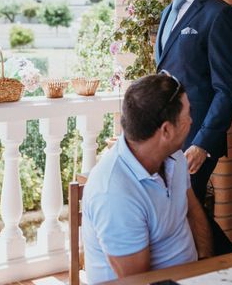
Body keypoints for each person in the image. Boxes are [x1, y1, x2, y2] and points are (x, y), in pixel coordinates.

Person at [82, 73, 213, 284]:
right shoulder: (114, 193)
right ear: (166, 130)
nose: (191, 121)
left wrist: (206, 266)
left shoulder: (176, 157)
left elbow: (192, 210)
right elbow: (139, 281)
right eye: (188, 114)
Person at [155, 0, 232, 203]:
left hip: (195, 140)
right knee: (176, 215)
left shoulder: (220, 15)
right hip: (167, 135)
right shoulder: (168, 12)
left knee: (186, 212)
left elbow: (226, 89)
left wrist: (203, 144)